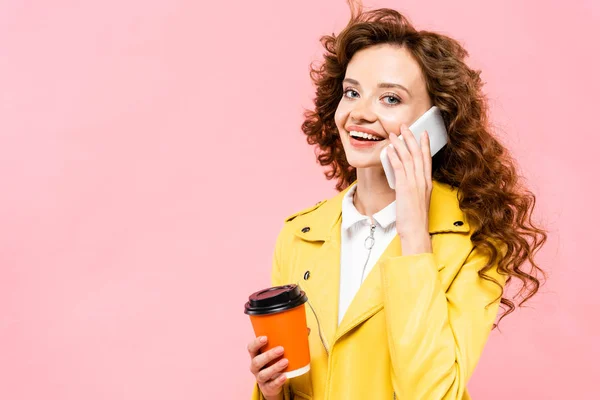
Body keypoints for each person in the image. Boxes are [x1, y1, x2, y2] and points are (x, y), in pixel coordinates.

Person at [246, 1, 546, 399]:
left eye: (390, 99)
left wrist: (413, 233)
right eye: (352, 92)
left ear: (436, 123)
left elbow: (431, 393)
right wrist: (270, 390)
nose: (359, 113)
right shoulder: (300, 234)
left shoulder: (475, 241)